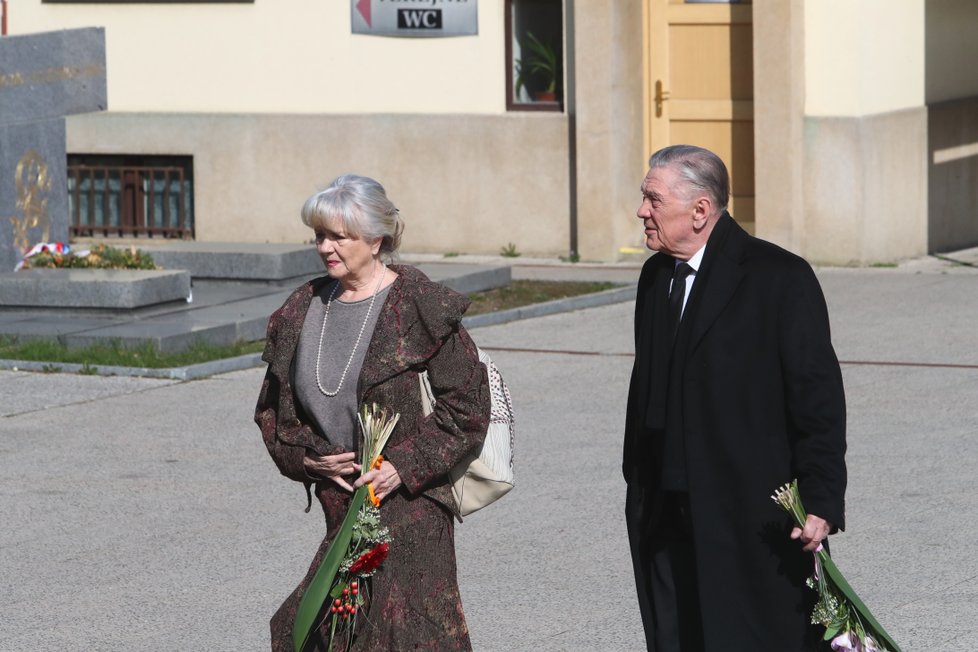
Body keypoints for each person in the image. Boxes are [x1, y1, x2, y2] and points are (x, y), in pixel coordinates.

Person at [623, 145, 847, 651]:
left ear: (700, 210)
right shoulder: (656, 277)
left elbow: (819, 401)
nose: (642, 211)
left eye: (653, 200)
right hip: (665, 511)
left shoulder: (779, 278)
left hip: (748, 514)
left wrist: (822, 498)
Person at [255, 174, 491, 651]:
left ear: (376, 237)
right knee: (310, 631)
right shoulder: (302, 308)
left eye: (339, 236)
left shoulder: (419, 305)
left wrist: (402, 467)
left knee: (406, 637)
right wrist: (306, 460)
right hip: (342, 507)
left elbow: (467, 406)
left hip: (411, 511)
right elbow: (272, 412)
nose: (325, 247)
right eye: (319, 235)